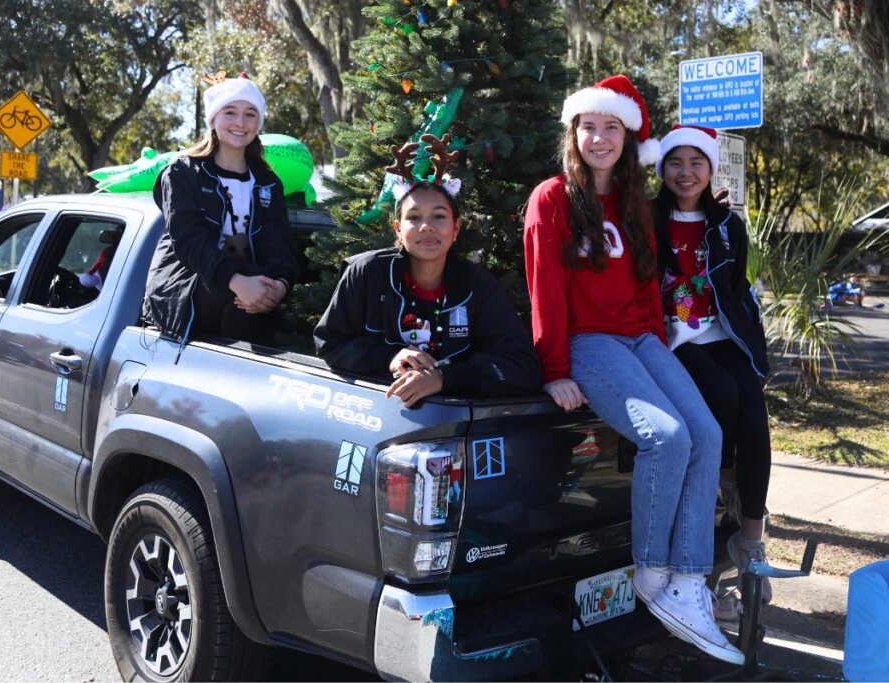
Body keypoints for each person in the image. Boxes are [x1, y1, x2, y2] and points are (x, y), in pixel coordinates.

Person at [523, 75, 741, 664]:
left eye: (611, 127)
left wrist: (656, 346)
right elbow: (545, 290)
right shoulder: (551, 199)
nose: (599, 137)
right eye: (589, 126)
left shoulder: (634, 204)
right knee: (665, 438)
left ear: (627, 137)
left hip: (641, 339)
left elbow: (646, 286)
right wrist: (555, 366)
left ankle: (689, 582)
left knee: (708, 435)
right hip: (589, 342)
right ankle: (652, 575)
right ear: (574, 134)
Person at [314, 136, 541, 405]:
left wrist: (445, 377)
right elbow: (329, 343)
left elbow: (522, 367)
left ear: (455, 228)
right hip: (377, 412)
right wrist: (389, 357)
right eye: (413, 217)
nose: (426, 227)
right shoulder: (367, 273)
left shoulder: (478, 285)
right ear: (397, 228)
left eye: (439, 216)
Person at [651, 125, 774, 606]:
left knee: (754, 418)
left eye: (696, 162)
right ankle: (727, 486)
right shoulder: (648, 219)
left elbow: (736, 289)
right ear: (662, 169)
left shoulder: (726, 225)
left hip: (723, 333)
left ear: (710, 169)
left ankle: (749, 540)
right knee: (721, 394)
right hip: (673, 336)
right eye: (676, 163)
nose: (686, 172)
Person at [143, 73, 295, 346]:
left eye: (250, 114)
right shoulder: (182, 172)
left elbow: (279, 242)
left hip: (247, 289)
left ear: (258, 123)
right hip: (186, 287)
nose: (240, 122)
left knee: (255, 297)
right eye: (230, 112)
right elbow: (189, 242)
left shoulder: (268, 182)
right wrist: (236, 280)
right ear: (213, 119)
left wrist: (280, 285)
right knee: (248, 287)